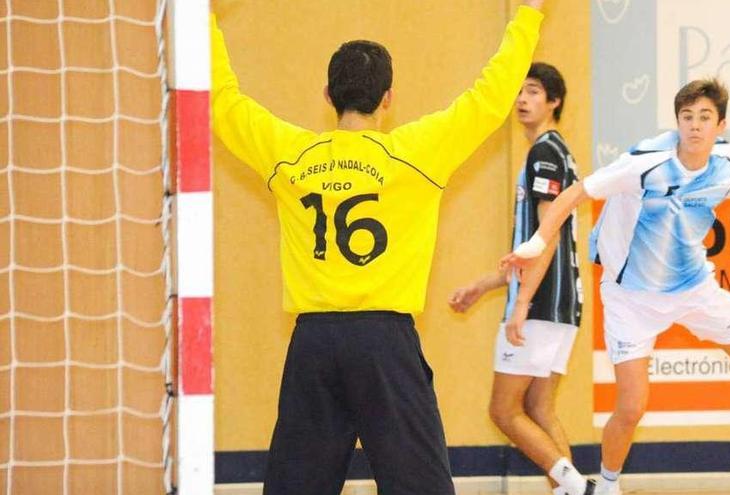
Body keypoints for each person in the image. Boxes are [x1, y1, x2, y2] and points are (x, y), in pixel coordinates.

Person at [210, 2, 547, 494]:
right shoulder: (415, 154)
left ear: (327, 95)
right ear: (388, 98)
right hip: (385, 344)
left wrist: (200, 17)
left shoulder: (289, 154)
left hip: (314, 345)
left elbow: (222, 100)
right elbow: (490, 99)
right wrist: (530, 15)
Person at [501, 78, 730, 495]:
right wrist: (536, 242)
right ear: (678, 122)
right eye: (687, 117)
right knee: (631, 407)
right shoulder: (645, 162)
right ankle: (608, 485)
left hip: (693, 288)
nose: (695, 126)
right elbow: (574, 193)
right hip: (630, 296)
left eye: (705, 118)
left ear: (721, 126)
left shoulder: (728, 165)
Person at [449, 63, 593, 495]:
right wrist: (484, 285)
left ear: (554, 102)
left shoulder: (544, 153)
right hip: (562, 305)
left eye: (533, 92)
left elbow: (545, 239)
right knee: (540, 408)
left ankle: (579, 487)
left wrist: (521, 304)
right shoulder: (557, 151)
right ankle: (570, 492)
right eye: (519, 92)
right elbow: (534, 245)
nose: (522, 100)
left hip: (542, 304)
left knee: (504, 411)